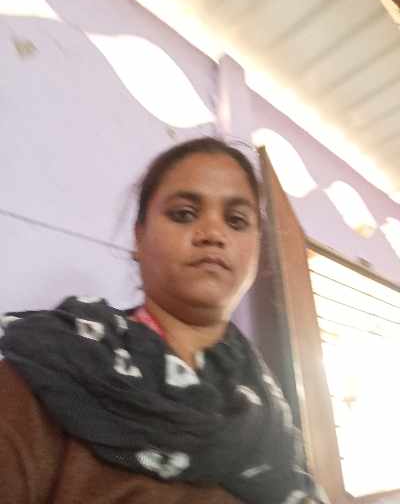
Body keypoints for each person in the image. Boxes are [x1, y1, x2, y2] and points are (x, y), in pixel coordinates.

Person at [0, 138, 329, 503]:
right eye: (184, 214)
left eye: (236, 221)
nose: (213, 234)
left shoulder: (267, 411)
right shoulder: (54, 366)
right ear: (139, 238)